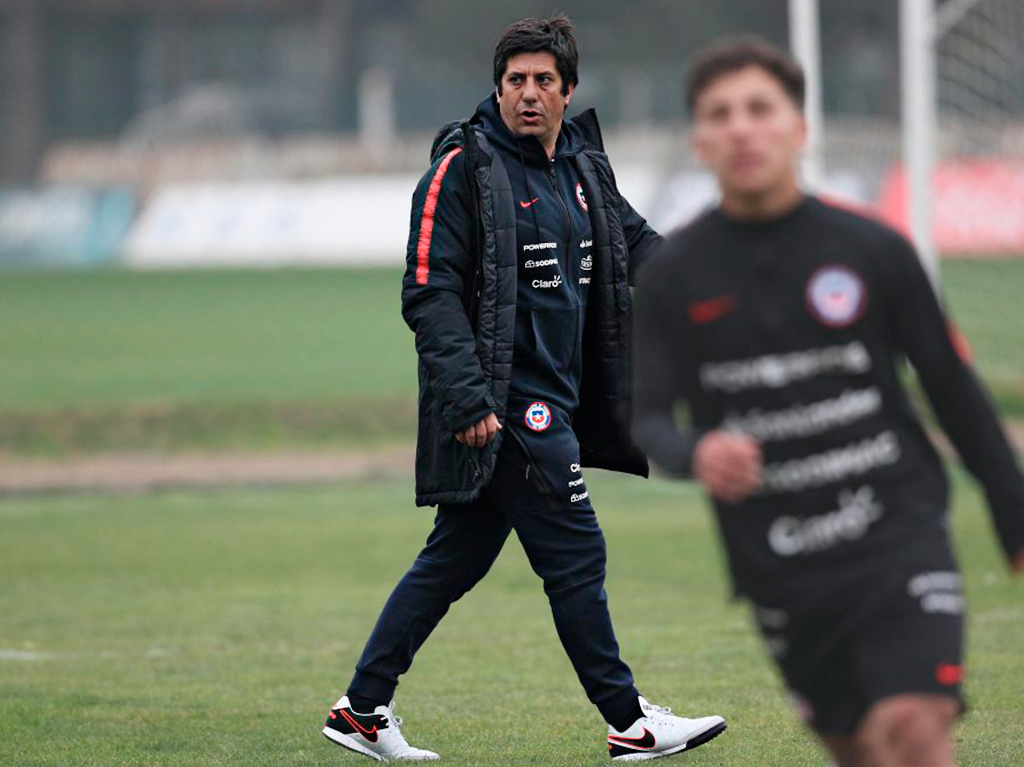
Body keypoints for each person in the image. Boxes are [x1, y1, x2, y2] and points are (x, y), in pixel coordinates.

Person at [321, 15, 726, 762]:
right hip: (507, 406)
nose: (529, 93)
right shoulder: (463, 169)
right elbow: (428, 291)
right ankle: (629, 720)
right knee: (578, 551)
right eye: (515, 81)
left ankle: (362, 708)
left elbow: (632, 243)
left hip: (559, 399)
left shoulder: (583, 166)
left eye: (544, 80)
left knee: (456, 557)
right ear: (497, 88)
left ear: (568, 90)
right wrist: (468, 397)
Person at [630, 36, 1024, 767]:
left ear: (799, 128)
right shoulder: (673, 276)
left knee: (912, 728)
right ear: (700, 139)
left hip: (896, 531)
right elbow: (644, 414)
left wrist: (1013, 512)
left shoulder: (873, 248)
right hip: (779, 556)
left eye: (759, 108)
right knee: (860, 750)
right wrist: (697, 451)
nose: (742, 127)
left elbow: (951, 385)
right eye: (721, 114)